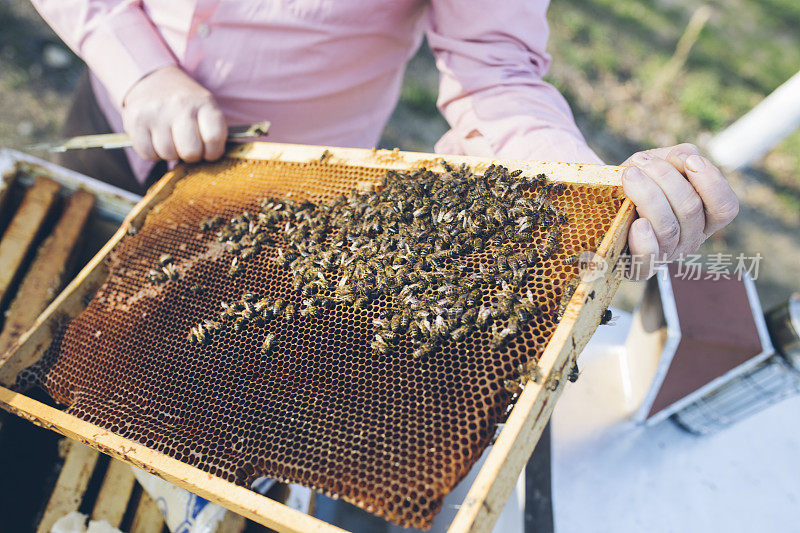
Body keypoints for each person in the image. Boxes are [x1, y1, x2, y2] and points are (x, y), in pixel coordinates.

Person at [32, 0, 738, 278]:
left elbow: (495, 72)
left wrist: (590, 195)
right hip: (114, 128)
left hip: (292, 211)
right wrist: (143, 70)